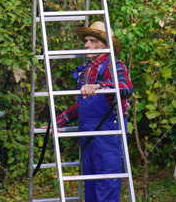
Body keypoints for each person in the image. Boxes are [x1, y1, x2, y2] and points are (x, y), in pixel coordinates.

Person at [56, 21, 133, 202]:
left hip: (108, 133)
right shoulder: (88, 69)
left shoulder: (114, 65)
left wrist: (100, 86)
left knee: (106, 183)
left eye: (92, 41)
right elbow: (83, 104)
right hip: (88, 133)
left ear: (105, 44)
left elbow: (125, 87)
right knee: (90, 184)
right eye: (86, 40)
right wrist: (59, 121)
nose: (86, 45)